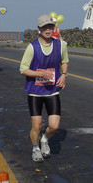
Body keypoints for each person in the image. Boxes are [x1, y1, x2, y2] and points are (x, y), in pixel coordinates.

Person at [20, 14, 69, 163]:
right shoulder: (32, 47)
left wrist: (63, 75)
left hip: (52, 91)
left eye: (50, 27)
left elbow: (64, 61)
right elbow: (23, 69)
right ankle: (35, 148)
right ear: (39, 29)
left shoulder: (61, 45)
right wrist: (40, 74)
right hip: (35, 92)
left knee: (54, 126)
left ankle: (45, 140)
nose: (48, 30)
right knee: (37, 125)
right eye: (44, 27)